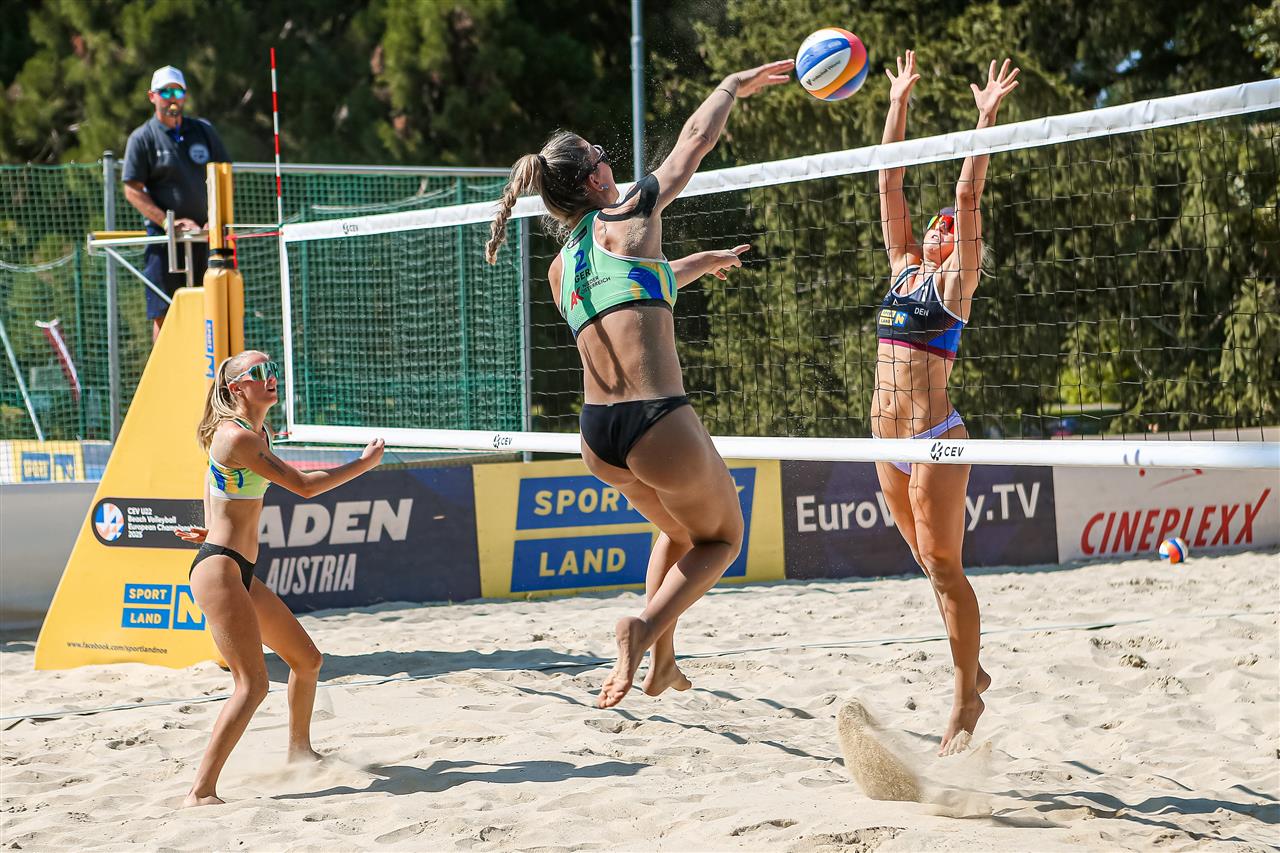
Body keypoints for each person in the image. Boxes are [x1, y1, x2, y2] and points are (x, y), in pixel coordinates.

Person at [486, 59, 793, 709]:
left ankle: (663, 663)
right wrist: (733, 85)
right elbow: (694, 142)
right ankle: (643, 627)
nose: (610, 161)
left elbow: (632, 294)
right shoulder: (629, 210)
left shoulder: (560, 268)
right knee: (722, 539)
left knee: (678, 533)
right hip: (657, 422)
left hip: (599, 438)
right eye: (602, 155)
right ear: (594, 178)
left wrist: (702, 262)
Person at [872, 51, 1019, 755]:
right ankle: (973, 668)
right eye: (931, 225)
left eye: (946, 227)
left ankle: (965, 700)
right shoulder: (903, 268)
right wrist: (897, 101)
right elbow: (888, 180)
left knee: (946, 566)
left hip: (935, 437)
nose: (937, 227)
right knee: (928, 566)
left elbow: (966, 197)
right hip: (884, 442)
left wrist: (983, 120)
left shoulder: (954, 282)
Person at [174, 350, 384, 806]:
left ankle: (299, 753)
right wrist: (364, 464)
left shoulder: (255, 433)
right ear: (236, 387)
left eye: (272, 370)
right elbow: (305, 487)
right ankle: (200, 792)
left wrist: (211, 526)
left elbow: (213, 482)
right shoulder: (236, 436)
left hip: (236, 566)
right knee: (252, 685)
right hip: (220, 569)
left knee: (307, 661)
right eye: (260, 373)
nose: (272, 378)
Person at [122, 65, 230, 341]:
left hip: (206, 237)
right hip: (164, 241)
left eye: (178, 92)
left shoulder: (203, 131)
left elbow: (223, 174)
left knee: (212, 308)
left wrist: (215, 219)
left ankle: (210, 367)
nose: (173, 99)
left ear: (185, 96)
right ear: (152, 96)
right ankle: (166, 368)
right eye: (166, 92)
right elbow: (132, 190)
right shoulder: (142, 138)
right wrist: (167, 222)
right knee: (165, 312)